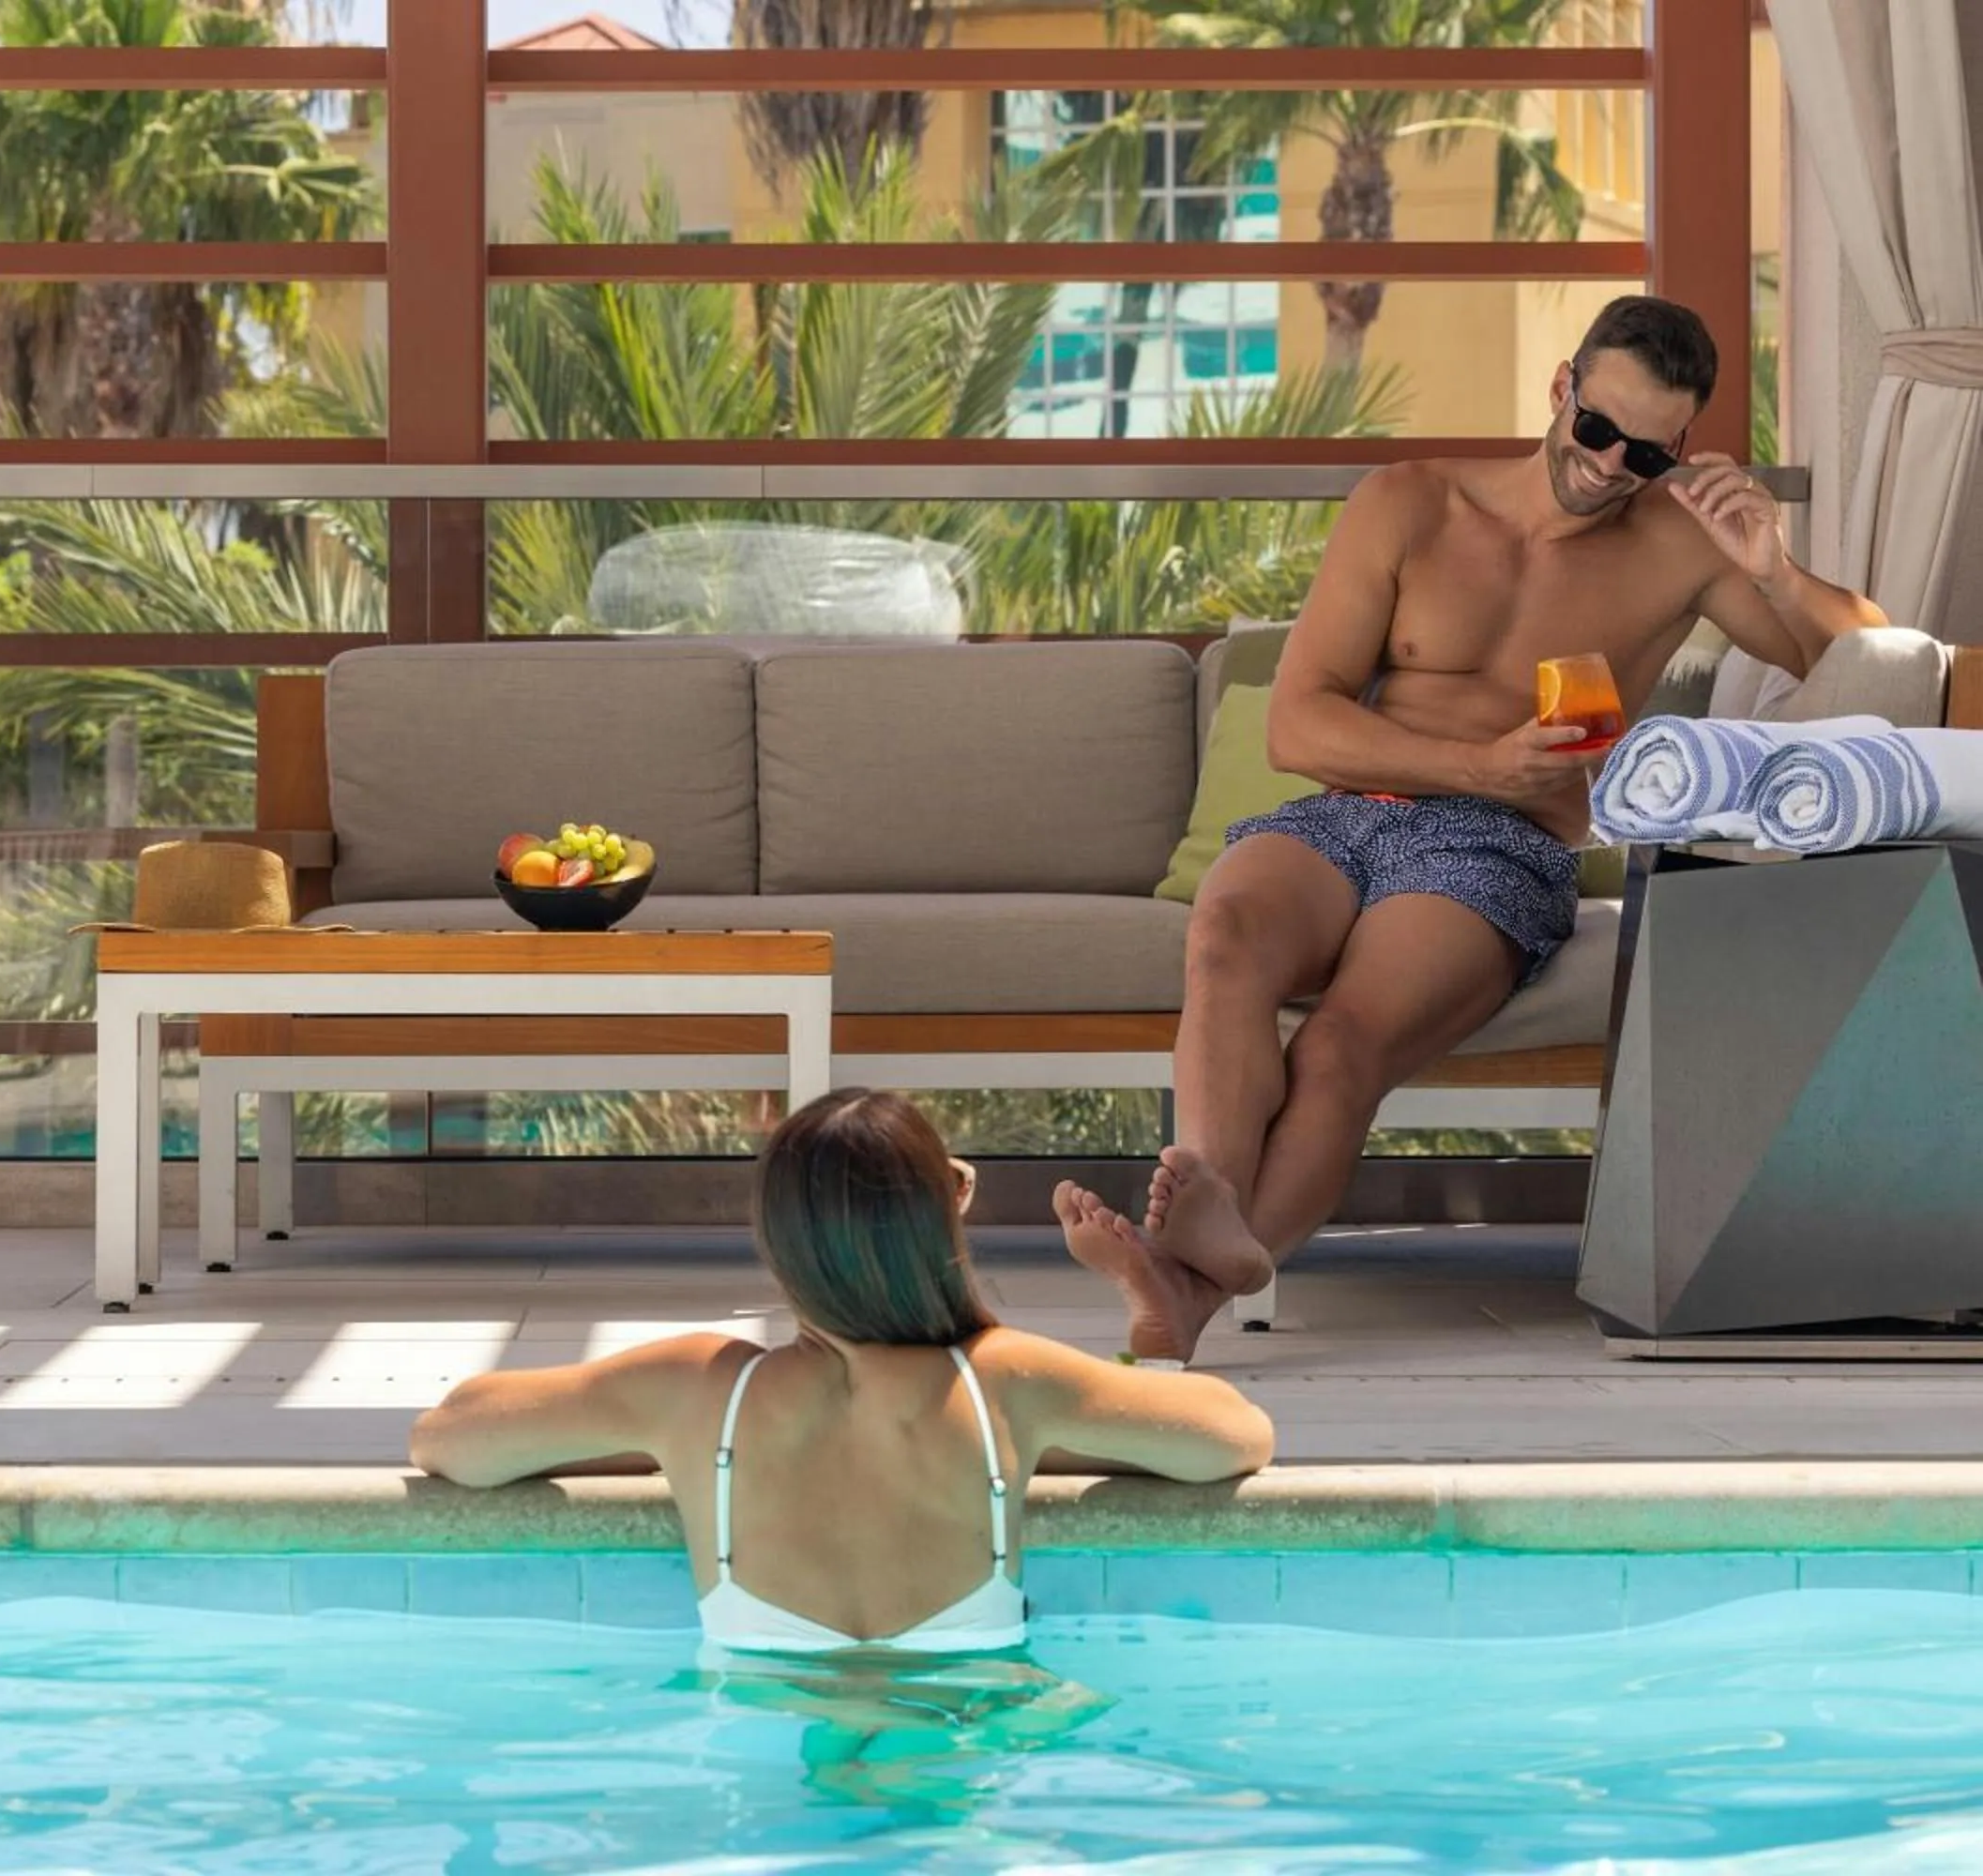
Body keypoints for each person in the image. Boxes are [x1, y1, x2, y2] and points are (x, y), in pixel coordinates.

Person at [1054, 295, 1889, 1365]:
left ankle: (1184, 1282)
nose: (1607, 465)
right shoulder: (1412, 504)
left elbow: (1871, 655)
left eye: (1643, 451)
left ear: (1678, 448)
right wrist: (1475, 760)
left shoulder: (1680, 544)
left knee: (1345, 1042)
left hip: (1498, 848)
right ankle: (1209, 1210)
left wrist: (1773, 565)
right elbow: (1300, 722)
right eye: (1597, 430)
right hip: (1347, 812)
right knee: (1223, 941)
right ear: (1561, 392)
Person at [411, 1089, 1275, 1656]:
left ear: (775, 1236)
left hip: (766, 1753)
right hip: (978, 1744)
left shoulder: (695, 1388)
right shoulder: (1004, 1378)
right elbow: (1234, 1435)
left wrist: (639, 1441)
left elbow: (449, 1439)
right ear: (950, 1209)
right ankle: (1148, 1322)